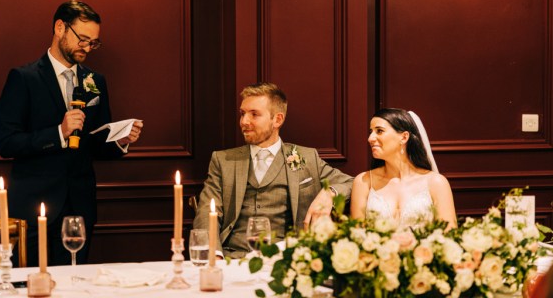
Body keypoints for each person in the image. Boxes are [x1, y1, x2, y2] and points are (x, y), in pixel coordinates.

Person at [0, 0, 143, 266]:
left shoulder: (95, 81)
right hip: (33, 208)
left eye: (93, 42)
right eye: (83, 39)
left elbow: (95, 145)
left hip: (79, 207)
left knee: (74, 285)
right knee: (30, 286)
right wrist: (59, 133)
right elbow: (6, 143)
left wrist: (119, 140)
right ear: (60, 28)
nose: (87, 48)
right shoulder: (23, 78)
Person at [193, 82, 354, 258]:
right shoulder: (223, 160)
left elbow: (351, 182)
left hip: (285, 260)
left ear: (277, 119)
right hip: (232, 257)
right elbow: (206, 212)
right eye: (242, 114)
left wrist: (328, 193)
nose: (244, 121)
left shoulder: (306, 157)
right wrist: (215, 256)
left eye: (254, 114)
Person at [350, 108, 457, 230]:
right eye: (371, 132)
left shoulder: (436, 183)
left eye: (379, 131)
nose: (370, 138)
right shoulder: (363, 182)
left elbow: (449, 235)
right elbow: (357, 235)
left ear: (404, 137)